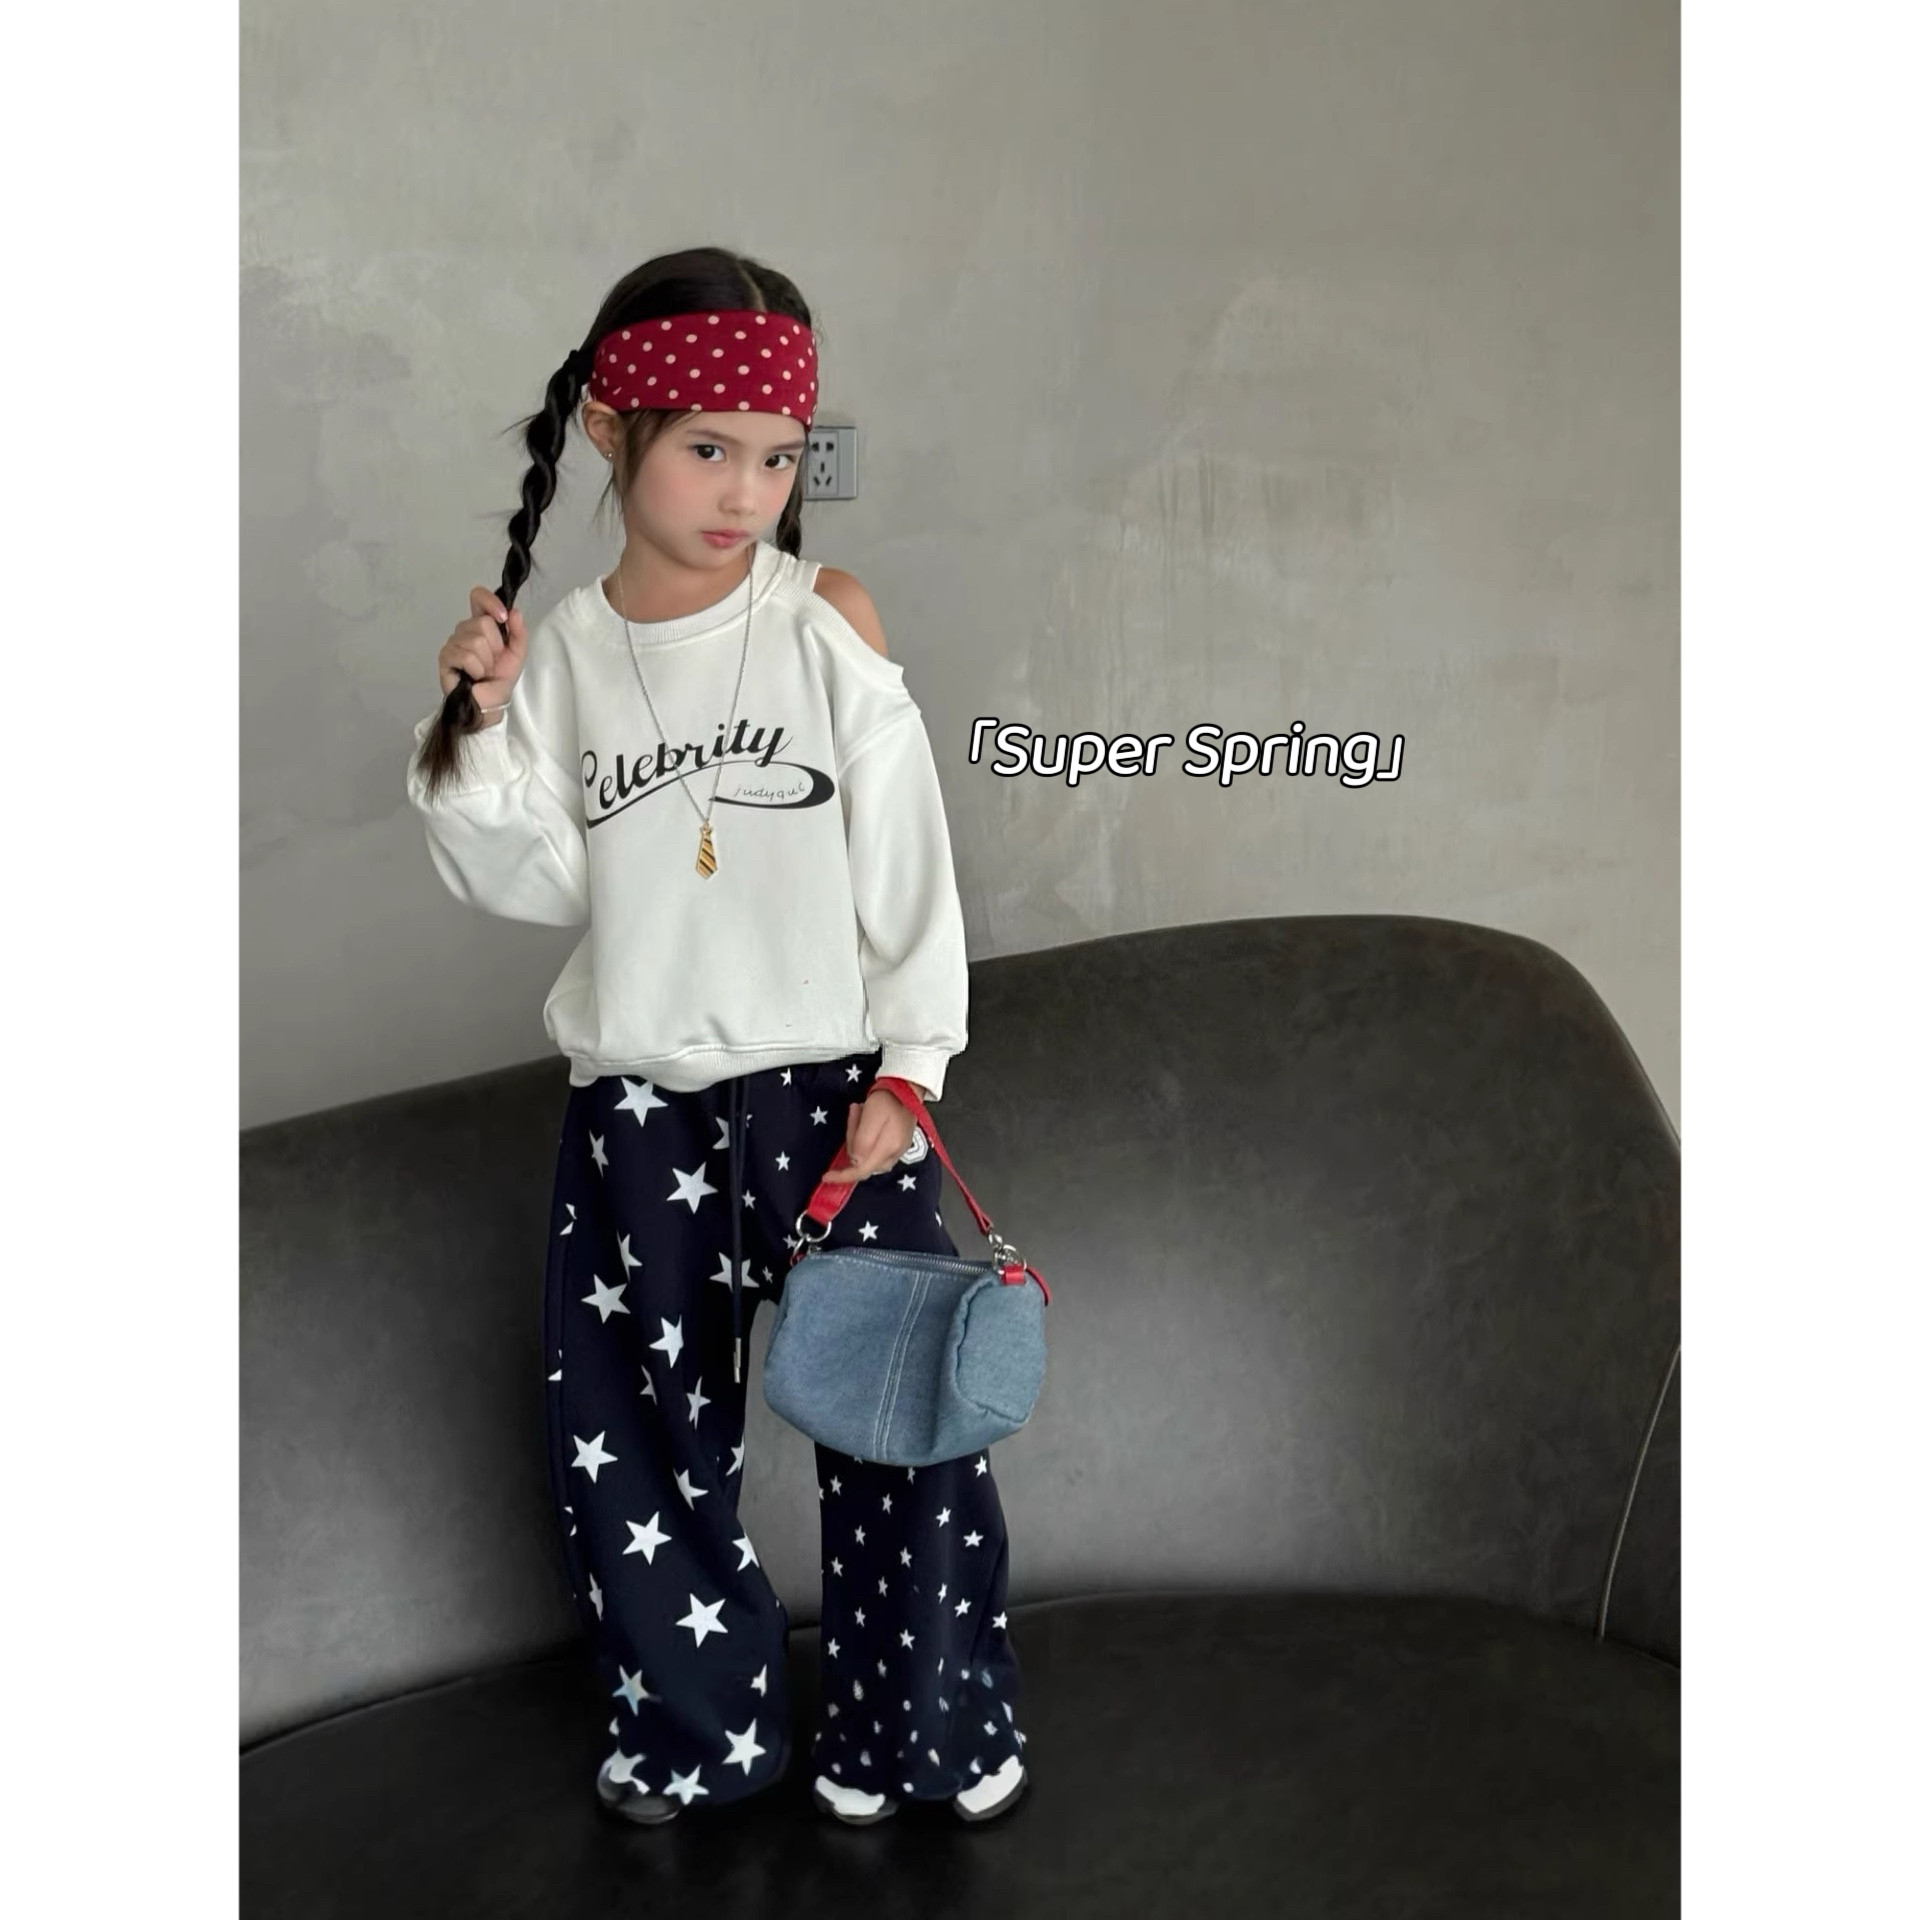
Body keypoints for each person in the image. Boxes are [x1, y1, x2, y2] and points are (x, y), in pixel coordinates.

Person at [404, 247, 1028, 1829]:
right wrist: (485, 724)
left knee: (902, 1421)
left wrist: (911, 1069)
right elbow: (551, 883)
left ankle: (924, 1737)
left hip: (835, 1101)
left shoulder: (824, 619)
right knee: (633, 1441)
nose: (747, 491)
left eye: (776, 456)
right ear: (612, 429)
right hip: (641, 1110)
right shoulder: (567, 651)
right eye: (708, 449)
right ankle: (698, 1738)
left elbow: (908, 860)